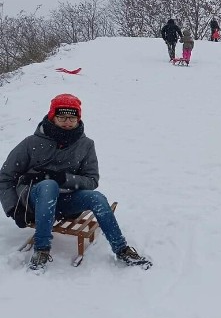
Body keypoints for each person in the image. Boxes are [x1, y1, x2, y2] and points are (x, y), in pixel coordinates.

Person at [0, 94, 152, 272]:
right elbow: (5, 176)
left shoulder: (85, 145)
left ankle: (121, 249)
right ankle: (41, 249)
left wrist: (65, 179)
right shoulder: (31, 143)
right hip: (35, 200)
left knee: (96, 197)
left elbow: (92, 180)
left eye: (72, 117)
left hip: (66, 201)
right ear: (52, 117)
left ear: (78, 118)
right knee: (49, 186)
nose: (67, 122)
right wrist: (12, 207)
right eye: (61, 117)